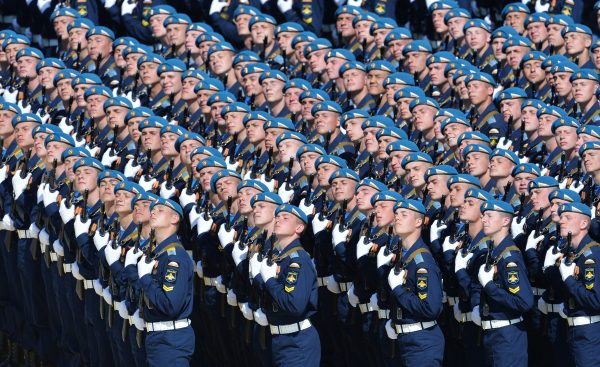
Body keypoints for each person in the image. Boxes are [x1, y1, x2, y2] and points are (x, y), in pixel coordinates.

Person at [254, 203, 320, 366]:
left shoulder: (297, 259)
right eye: (277, 217)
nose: (278, 220)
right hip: (279, 339)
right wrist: (257, 278)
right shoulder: (281, 257)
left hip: (297, 341)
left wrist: (269, 280)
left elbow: (294, 304)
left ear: (299, 228)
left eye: (285, 218)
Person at [137, 197, 195, 366]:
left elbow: (170, 305)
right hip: (159, 338)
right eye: (152, 210)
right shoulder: (160, 254)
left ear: (174, 218)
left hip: (171, 340)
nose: (153, 212)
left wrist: (145, 278)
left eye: (160, 210)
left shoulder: (173, 257)